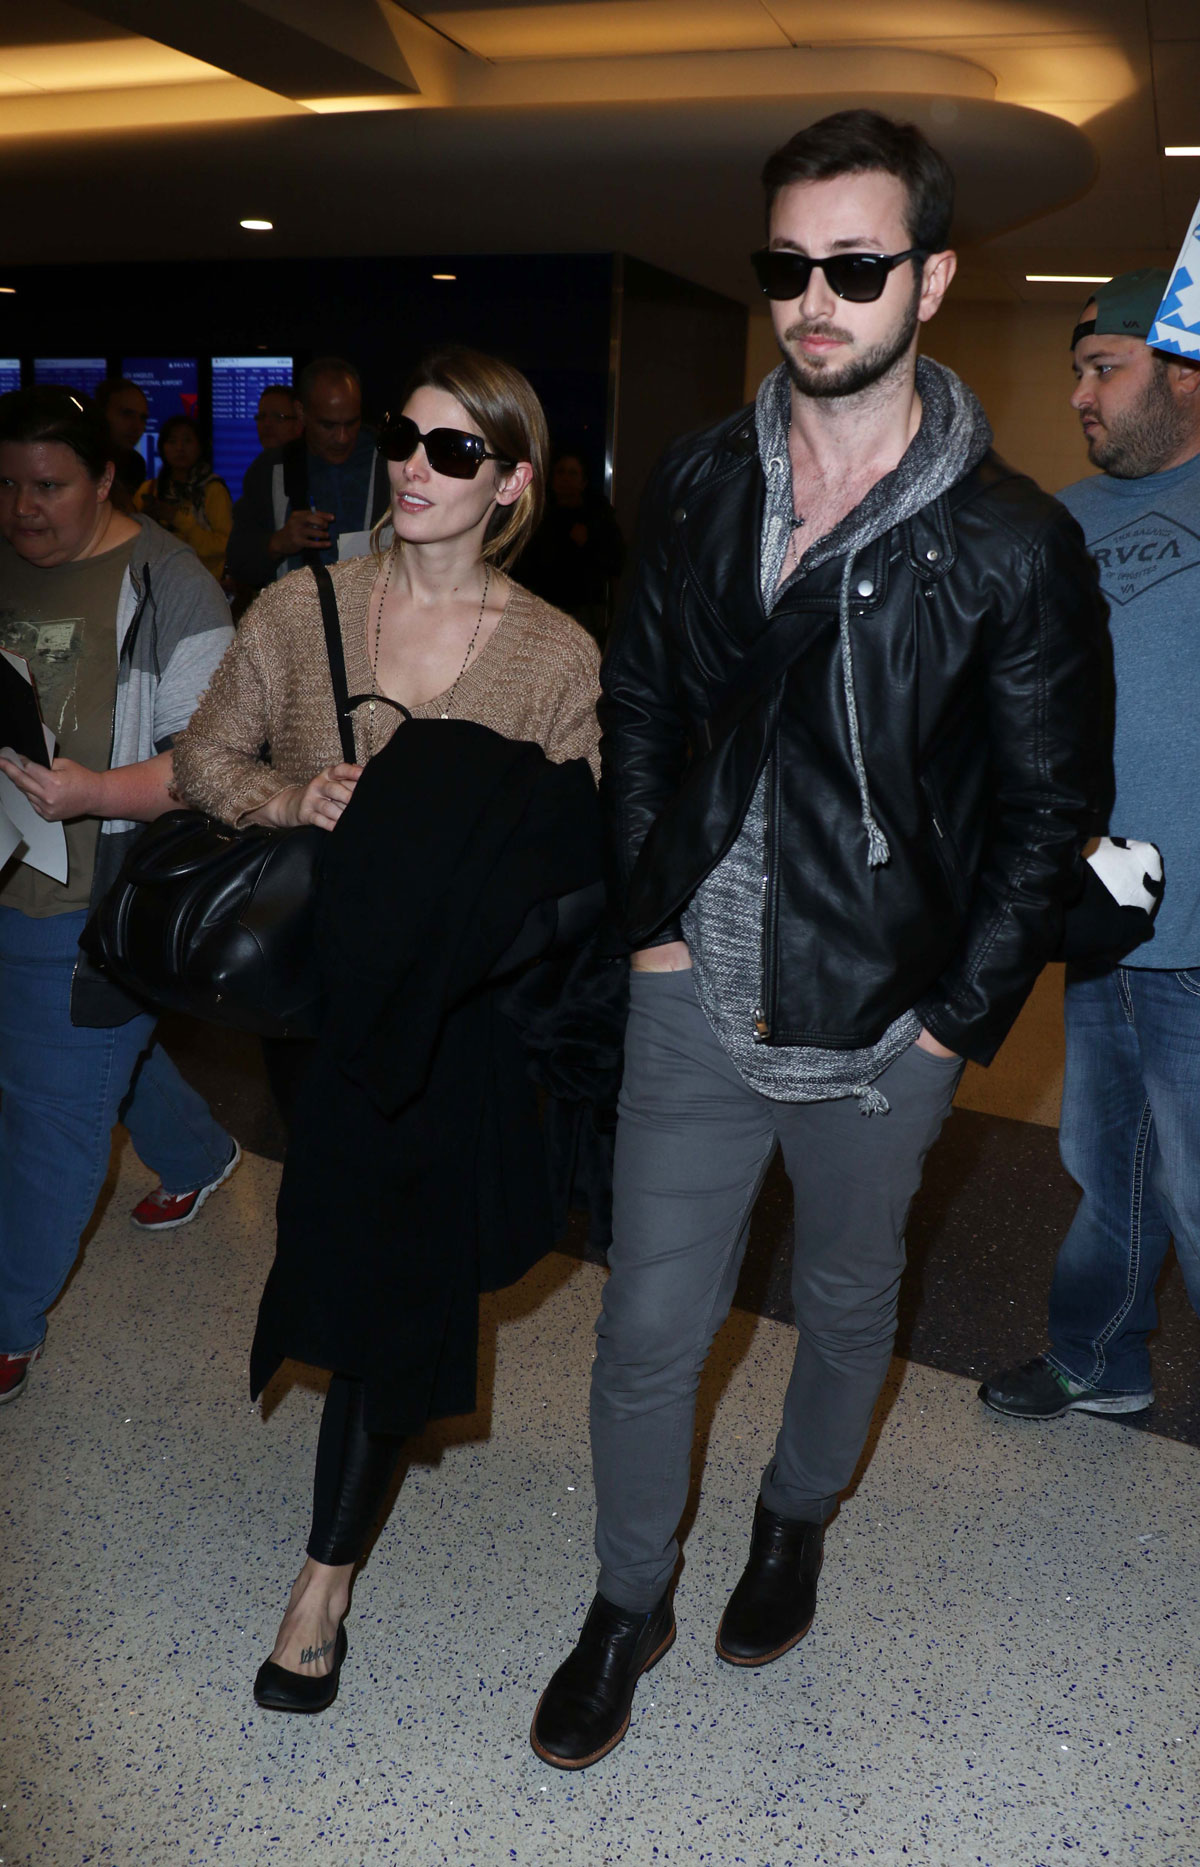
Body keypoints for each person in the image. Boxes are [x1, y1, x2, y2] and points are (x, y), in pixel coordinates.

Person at [530, 107, 1112, 1771]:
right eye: (787, 263)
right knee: (650, 1321)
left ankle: (792, 1522)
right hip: (690, 1000)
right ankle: (626, 1598)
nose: (814, 299)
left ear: (930, 277)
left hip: (887, 1020)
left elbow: (1043, 814)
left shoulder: (1011, 540)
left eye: (855, 265)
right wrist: (650, 927)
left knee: (852, 1294)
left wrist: (950, 1025)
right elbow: (637, 704)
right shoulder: (709, 475)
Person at [173, 346, 602, 1712]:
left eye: (455, 451)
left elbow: (578, 857)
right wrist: (295, 797)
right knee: (356, 1252)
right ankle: (342, 1522)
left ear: (513, 482)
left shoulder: (553, 652)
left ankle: (323, 1580)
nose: (416, 468)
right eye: (409, 443)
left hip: (461, 1026)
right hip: (324, 1004)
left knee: (389, 1277)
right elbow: (201, 760)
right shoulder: (306, 607)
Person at [979, 269, 1200, 1422]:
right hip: (1103, 911)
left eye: (1102, 367)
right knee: (1104, 1160)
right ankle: (1098, 1356)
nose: (1078, 393)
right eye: (1074, 370)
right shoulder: (1058, 521)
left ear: (1180, 370)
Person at [0, 387, 239, 1407]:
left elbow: (211, 765)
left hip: (97, 901)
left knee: (47, 1117)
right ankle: (197, 1147)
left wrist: (90, 791)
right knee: (90, 1062)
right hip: (7, 871)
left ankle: (7, 1322)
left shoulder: (172, 587)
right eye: (6, 486)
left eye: (49, 487)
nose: (23, 510)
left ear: (106, 478)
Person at [225, 356, 390, 588]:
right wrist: (277, 543)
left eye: (352, 423)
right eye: (328, 425)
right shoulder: (270, 470)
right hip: (296, 617)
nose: (342, 438)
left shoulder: (390, 463)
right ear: (301, 412)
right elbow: (238, 563)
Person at [517, 451, 625, 641]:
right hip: (543, 609)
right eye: (560, 472)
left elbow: (619, 561)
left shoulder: (598, 517)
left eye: (572, 473)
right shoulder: (538, 518)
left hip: (586, 612)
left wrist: (588, 543)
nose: (566, 478)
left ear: (583, 481)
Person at [135, 415, 233, 583]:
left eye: (187, 441)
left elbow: (224, 545)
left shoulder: (212, 489)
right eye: (172, 441)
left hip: (203, 583)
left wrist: (177, 518)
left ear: (200, 446)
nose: (179, 448)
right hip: (158, 583)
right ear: (163, 447)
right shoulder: (150, 490)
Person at [95, 379, 151, 500]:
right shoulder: (76, 460)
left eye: (143, 418)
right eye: (127, 414)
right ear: (101, 413)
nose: (137, 427)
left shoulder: (134, 465)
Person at [254, 384, 302, 453]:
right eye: (261, 417)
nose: (266, 424)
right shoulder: (263, 462)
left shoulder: (308, 462)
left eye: (278, 417)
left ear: (298, 425)